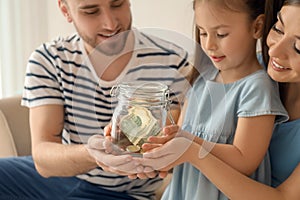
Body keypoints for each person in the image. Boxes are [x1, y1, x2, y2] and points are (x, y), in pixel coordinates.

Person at [0, 0, 194, 199]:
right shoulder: (50, 59)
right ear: (66, 10)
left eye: (117, 4)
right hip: (60, 177)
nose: (110, 24)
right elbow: (43, 157)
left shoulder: (174, 62)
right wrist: (93, 153)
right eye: (91, 11)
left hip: (122, 194)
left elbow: (175, 150)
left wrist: (158, 157)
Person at [140, 0, 300, 199]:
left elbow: (244, 161)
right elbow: (178, 139)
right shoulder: (206, 76)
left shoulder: (256, 85)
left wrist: (190, 147)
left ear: (257, 26)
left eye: (298, 46)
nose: (274, 52)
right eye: (278, 28)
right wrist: (139, 141)